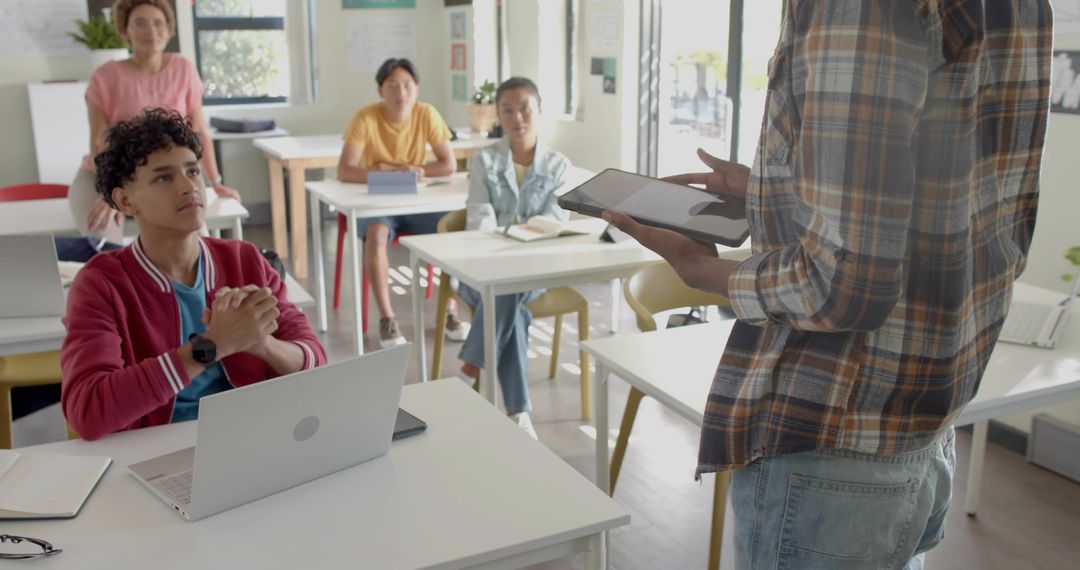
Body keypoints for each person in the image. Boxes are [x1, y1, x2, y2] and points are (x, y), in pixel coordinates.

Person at [604, 2, 1051, 567]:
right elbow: (968, 209)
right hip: (923, 420)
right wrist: (780, 190)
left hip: (835, 437)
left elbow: (843, 285)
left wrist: (706, 272)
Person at [61, 109, 327, 441]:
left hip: (255, 438)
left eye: (193, 171)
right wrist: (213, 345)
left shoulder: (244, 259)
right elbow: (88, 411)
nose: (189, 187)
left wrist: (264, 345)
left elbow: (315, 359)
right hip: (155, 451)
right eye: (164, 177)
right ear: (125, 200)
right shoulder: (100, 284)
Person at [68, 0, 240, 250]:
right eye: (140, 23)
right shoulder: (104, 77)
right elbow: (98, 140)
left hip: (168, 174)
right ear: (125, 30)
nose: (151, 30)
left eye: (158, 23)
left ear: (169, 30)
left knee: (195, 242)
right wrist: (108, 191)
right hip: (107, 174)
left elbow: (199, 131)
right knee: (102, 243)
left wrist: (215, 181)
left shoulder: (183, 69)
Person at [457, 77, 571, 439]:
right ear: (498, 115)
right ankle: (518, 413)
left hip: (534, 269)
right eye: (507, 109)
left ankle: (469, 369)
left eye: (525, 108)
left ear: (538, 111)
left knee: (507, 292)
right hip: (483, 265)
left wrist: (524, 242)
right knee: (512, 308)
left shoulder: (558, 165)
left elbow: (555, 220)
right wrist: (505, 246)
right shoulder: (484, 159)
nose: (516, 116)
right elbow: (478, 214)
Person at [338, 57, 465, 348]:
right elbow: (345, 170)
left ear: (417, 89)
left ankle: (450, 312)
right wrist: (385, 171)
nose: (401, 93)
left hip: (416, 200)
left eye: (407, 85)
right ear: (381, 90)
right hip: (376, 203)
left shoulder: (427, 113)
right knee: (377, 234)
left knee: (450, 229)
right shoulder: (366, 117)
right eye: (393, 86)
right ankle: (387, 319)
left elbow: (448, 165)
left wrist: (420, 170)